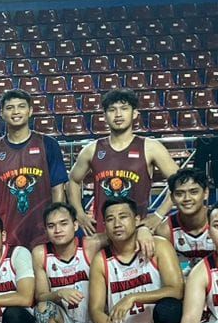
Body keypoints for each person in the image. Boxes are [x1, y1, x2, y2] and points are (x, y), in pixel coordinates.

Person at [77, 198, 185, 323]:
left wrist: (133, 298)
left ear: (136, 220)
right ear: (105, 225)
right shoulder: (102, 260)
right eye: (110, 219)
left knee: (170, 309)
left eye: (123, 217)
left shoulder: (158, 246)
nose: (117, 224)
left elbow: (177, 290)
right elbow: (95, 310)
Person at [67, 88, 178, 235]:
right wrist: (79, 213)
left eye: (124, 108)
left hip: (137, 234)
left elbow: (180, 182)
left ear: (135, 113)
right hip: (102, 234)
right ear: (105, 116)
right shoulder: (92, 149)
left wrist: (158, 215)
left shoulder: (150, 147)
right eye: (112, 110)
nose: (118, 114)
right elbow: (73, 180)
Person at [31, 202, 105, 323]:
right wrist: (59, 293)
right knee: (43, 309)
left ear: (75, 225)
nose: (57, 230)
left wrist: (143, 232)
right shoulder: (40, 253)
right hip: (67, 322)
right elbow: (40, 296)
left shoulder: (91, 245)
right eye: (51, 226)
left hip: (96, 320)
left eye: (63, 223)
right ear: (46, 230)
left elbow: (125, 235)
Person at [0, 89, 70, 253]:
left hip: (43, 233)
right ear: (2, 113)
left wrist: (56, 224)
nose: (16, 112)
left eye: (21, 106)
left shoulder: (48, 144)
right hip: (8, 234)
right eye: (10, 108)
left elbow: (58, 189)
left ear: (30, 111)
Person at [164, 167, 215, 271]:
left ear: (206, 193)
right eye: (179, 194)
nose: (187, 198)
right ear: (172, 198)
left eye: (193, 192)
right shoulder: (165, 230)